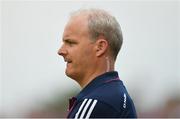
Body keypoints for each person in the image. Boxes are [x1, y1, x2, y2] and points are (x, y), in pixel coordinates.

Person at [58, 8, 137, 118]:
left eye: (70, 43)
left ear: (100, 47)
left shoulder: (97, 102)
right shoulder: (115, 95)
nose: (60, 51)